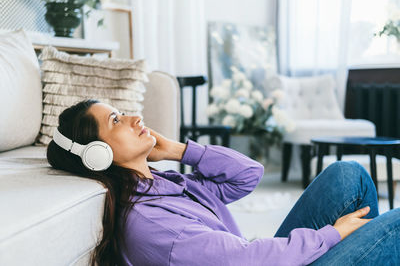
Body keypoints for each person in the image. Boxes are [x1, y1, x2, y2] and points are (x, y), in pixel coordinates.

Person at [46, 99, 400, 266]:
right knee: (394, 226)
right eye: (117, 120)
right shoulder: (151, 224)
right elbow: (247, 258)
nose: (136, 117)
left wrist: (178, 150)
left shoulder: (164, 182)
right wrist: (332, 236)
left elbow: (248, 176)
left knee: (347, 175)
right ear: (98, 155)